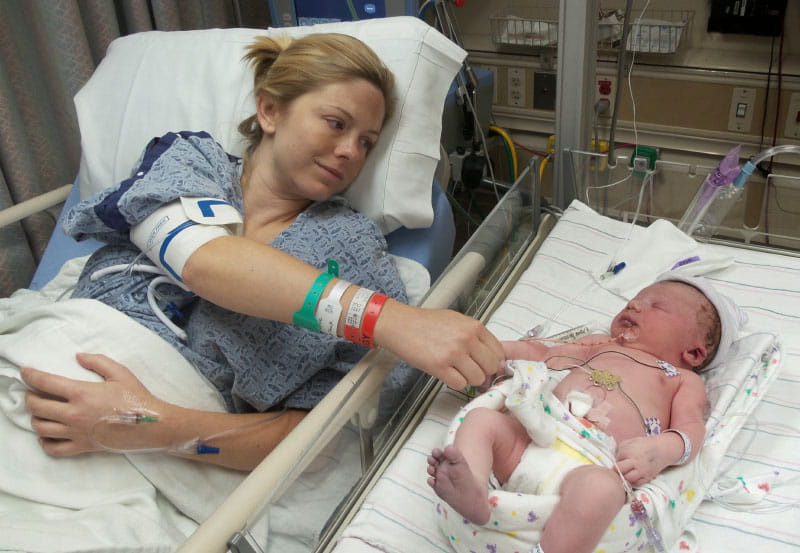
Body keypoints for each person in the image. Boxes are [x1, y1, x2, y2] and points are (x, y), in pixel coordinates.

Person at [20, 32, 504, 472]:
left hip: (157, 441)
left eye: (367, 142)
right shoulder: (190, 162)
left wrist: (153, 426)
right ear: (269, 111)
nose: (350, 152)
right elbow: (205, 262)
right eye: (336, 124)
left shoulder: (352, 250)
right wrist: (393, 320)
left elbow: (314, 438)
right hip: (51, 357)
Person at [426, 273, 741, 553]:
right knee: (482, 421)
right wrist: (491, 350)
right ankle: (474, 490)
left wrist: (660, 450)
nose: (634, 306)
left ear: (694, 352)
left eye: (655, 306)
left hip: (591, 462)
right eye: (634, 301)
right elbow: (543, 353)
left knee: (603, 489)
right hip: (533, 439)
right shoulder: (599, 344)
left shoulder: (680, 379)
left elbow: (691, 428)